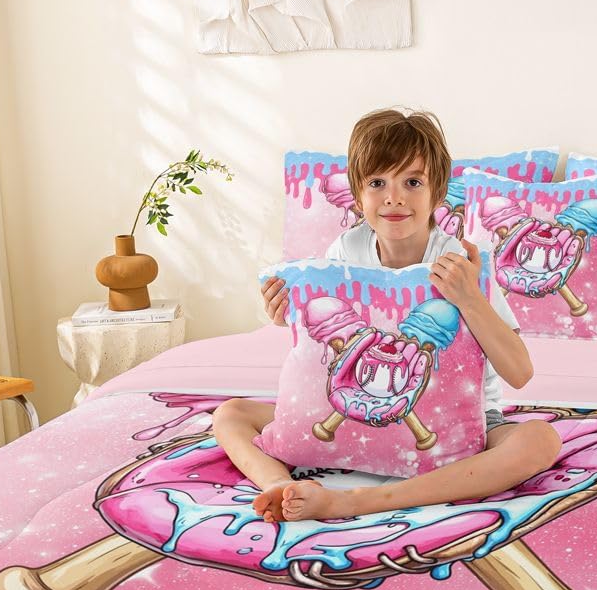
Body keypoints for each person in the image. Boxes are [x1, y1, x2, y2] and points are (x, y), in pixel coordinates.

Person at [212, 108, 560, 523]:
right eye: (377, 183)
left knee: (541, 440)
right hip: (352, 409)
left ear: (438, 194)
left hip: (459, 422)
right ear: (358, 195)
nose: (394, 197)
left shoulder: (459, 262)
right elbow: (325, 346)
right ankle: (279, 485)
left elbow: (519, 373)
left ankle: (358, 501)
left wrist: (470, 299)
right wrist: (285, 314)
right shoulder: (345, 251)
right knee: (230, 413)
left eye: (412, 182)